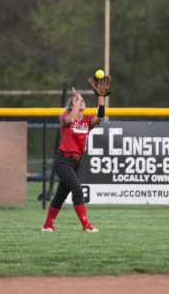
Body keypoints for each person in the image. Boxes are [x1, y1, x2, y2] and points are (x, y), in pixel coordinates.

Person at [42, 84, 107, 233]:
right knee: (77, 190)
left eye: (83, 100)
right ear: (72, 106)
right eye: (78, 101)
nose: (81, 101)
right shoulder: (66, 118)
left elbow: (100, 117)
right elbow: (71, 119)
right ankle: (86, 226)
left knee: (60, 195)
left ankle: (47, 226)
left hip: (76, 162)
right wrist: (77, 100)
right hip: (63, 161)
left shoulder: (87, 121)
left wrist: (101, 98)